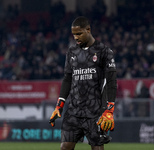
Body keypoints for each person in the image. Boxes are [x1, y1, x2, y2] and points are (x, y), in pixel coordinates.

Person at [49, 16, 117, 150]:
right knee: (65, 147)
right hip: (74, 111)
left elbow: (111, 81)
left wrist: (109, 109)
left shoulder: (104, 51)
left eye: (79, 33)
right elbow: (67, 79)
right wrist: (59, 105)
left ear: (88, 30)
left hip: (95, 110)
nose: (76, 37)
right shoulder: (71, 52)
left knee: (97, 148)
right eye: (74, 34)